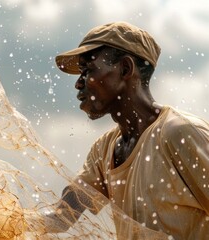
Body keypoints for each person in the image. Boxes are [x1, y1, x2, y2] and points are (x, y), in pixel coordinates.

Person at [51, 21, 209, 239]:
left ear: (125, 68)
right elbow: (59, 219)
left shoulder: (179, 133)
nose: (79, 83)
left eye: (88, 70)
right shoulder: (103, 150)